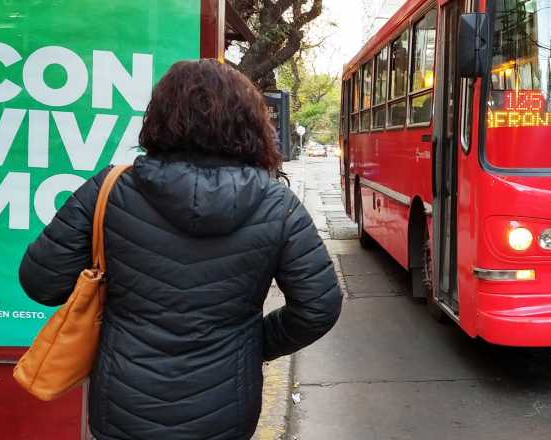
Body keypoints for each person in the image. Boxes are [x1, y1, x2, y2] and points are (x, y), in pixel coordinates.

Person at [18, 60, 342, 439]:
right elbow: (319, 307)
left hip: (124, 403)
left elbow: (40, 282)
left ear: (160, 118)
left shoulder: (110, 189)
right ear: (250, 124)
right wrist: (254, 343)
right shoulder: (277, 204)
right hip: (226, 407)